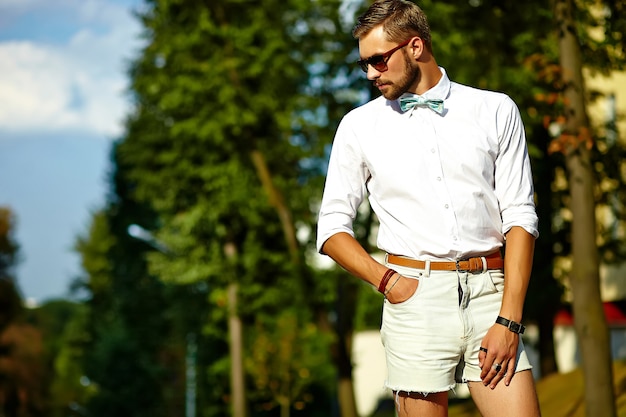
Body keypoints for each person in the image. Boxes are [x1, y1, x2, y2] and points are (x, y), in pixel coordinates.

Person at [316, 1, 542, 416]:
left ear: (415, 46)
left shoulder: (494, 110)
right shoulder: (359, 126)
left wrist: (509, 319)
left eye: (379, 61)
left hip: (491, 294)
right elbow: (331, 229)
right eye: (364, 64)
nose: (370, 74)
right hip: (413, 299)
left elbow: (520, 218)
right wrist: (389, 284)